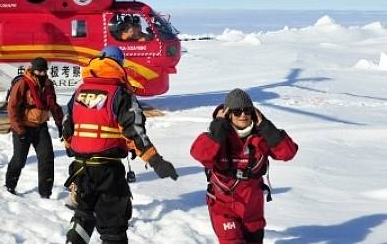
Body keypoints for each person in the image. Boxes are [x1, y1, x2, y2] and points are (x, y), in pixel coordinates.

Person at [62, 45, 178, 244]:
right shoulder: (120, 94)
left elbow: (66, 125)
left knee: (83, 216)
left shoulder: (80, 91)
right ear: (119, 65)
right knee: (113, 226)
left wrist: (72, 147)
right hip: (107, 171)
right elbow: (135, 131)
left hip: (80, 168)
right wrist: (155, 161)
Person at [190, 88, 298, 244]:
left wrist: (267, 128)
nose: (243, 115)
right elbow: (200, 154)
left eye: (247, 110)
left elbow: (288, 153)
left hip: (252, 206)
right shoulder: (219, 135)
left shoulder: (260, 136)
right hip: (223, 205)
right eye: (237, 111)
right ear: (228, 114)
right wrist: (218, 127)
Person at [5, 57, 64, 198]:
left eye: (44, 71)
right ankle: (10, 185)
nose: (42, 74)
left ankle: (45, 192)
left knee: (47, 157)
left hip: (40, 127)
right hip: (23, 127)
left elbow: (54, 106)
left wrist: (59, 123)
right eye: (39, 71)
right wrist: (19, 130)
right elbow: (12, 108)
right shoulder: (23, 84)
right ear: (32, 69)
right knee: (19, 159)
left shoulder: (48, 84)